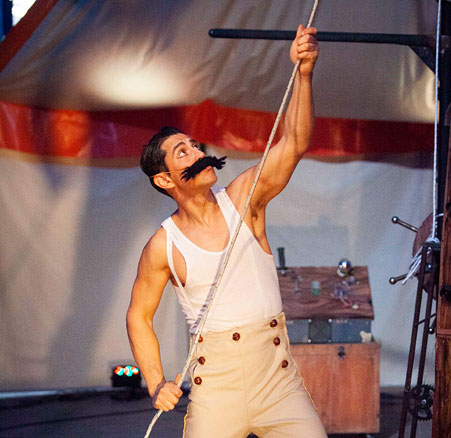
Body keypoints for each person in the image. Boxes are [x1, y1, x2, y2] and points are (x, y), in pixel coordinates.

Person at [126, 24, 326, 438]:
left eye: (195, 145)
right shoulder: (163, 245)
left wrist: (304, 74)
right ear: (165, 179)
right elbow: (139, 315)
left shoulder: (243, 200)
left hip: (277, 381)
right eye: (183, 152)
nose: (198, 153)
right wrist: (156, 381)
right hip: (216, 388)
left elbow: (293, 143)